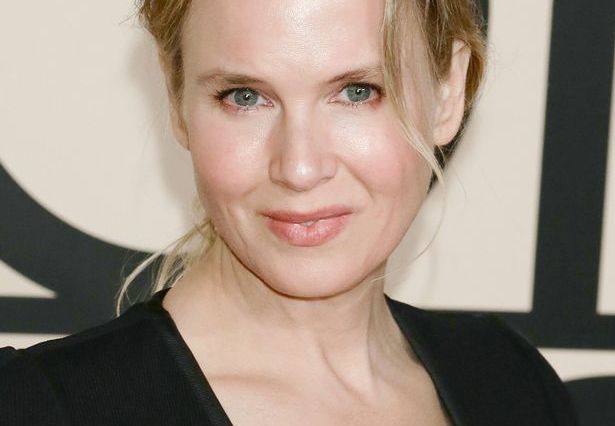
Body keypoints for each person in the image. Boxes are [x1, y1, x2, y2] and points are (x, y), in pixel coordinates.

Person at [0, 0, 577, 424]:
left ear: (448, 92)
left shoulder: (510, 382)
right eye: (245, 97)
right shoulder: (36, 408)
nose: (299, 167)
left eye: (358, 91)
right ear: (176, 96)